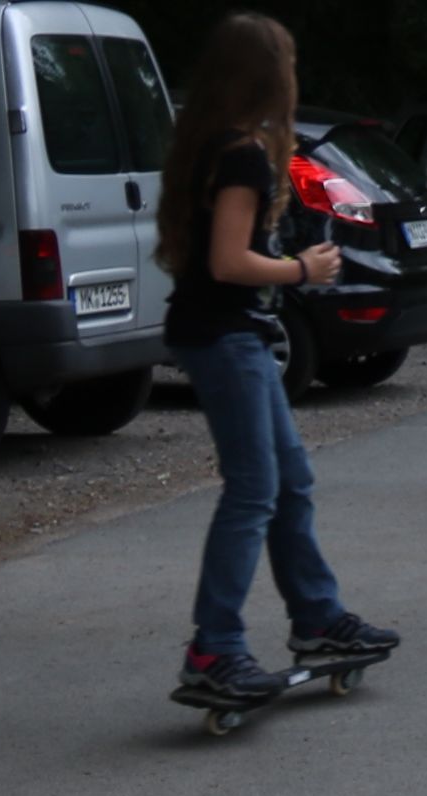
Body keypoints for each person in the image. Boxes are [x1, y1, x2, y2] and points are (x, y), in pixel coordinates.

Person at [156, 11, 393, 703]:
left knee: (289, 480)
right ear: (268, 76)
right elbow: (228, 261)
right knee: (254, 489)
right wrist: (301, 270)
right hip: (225, 335)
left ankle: (319, 619)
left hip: (230, 333)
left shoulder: (209, 143)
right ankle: (214, 649)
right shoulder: (241, 156)